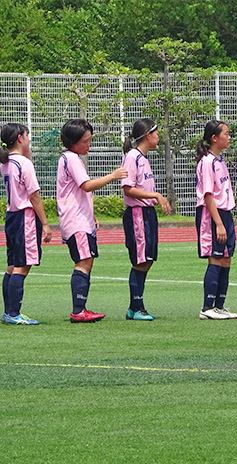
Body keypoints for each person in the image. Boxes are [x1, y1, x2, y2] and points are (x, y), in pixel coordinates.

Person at [57, 119, 127, 323]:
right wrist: (113, 176)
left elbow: (77, 191)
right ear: (74, 141)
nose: (89, 145)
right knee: (83, 262)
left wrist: (90, 213)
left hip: (80, 218)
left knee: (87, 261)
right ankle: (78, 310)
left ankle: (81, 308)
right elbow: (86, 185)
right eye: (85, 141)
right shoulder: (71, 158)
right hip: (76, 221)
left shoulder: (71, 158)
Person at [0, 123, 52, 325]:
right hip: (25, 217)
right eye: (27, 136)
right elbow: (34, 196)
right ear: (20, 138)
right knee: (23, 266)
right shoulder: (23, 163)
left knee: (12, 265)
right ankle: (13, 313)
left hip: (11, 216)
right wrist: (45, 224)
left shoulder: (6, 161)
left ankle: (8, 312)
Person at [121, 118, 172, 321]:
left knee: (147, 260)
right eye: (156, 133)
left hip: (147, 214)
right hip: (137, 215)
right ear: (147, 135)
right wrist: (156, 196)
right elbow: (128, 188)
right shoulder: (132, 157)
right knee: (140, 261)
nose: (159, 137)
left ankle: (135, 307)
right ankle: (136, 307)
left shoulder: (143, 158)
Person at [195, 120, 237, 320]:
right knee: (215, 257)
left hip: (225, 213)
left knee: (226, 257)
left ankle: (219, 305)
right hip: (213, 214)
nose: (229, 137)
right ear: (214, 138)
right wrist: (219, 223)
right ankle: (207, 307)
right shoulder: (207, 162)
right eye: (226, 133)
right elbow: (208, 195)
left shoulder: (220, 160)